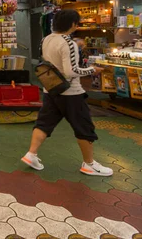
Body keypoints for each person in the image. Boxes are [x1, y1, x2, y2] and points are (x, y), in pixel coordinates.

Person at [22, 10, 112, 176]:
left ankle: (31, 154)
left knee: (44, 122)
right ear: (72, 24)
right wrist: (93, 70)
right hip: (71, 93)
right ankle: (89, 164)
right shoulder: (68, 43)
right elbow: (70, 72)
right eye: (77, 22)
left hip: (51, 89)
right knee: (84, 126)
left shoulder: (46, 39)